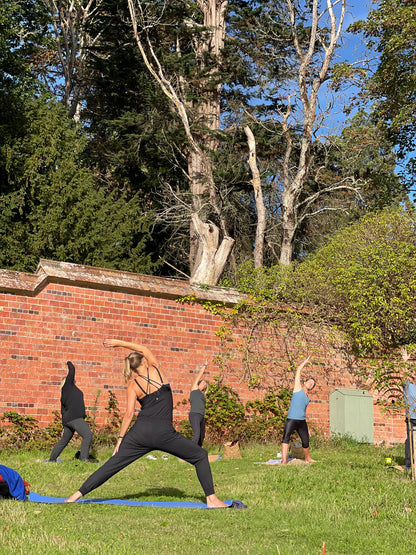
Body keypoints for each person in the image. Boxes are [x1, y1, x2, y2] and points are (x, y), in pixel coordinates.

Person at [65, 338, 228, 507]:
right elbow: (143, 348)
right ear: (143, 361)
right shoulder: (157, 369)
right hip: (164, 434)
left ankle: (75, 496)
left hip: (140, 434)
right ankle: (212, 500)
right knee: (200, 455)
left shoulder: (133, 384)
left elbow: (129, 414)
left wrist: (120, 439)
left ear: (132, 368)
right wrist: (119, 343)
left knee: (112, 465)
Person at [48, 361, 93, 462]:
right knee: (87, 435)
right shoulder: (68, 386)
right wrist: (68, 362)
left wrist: (65, 424)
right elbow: (72, 370)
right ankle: (83, 460)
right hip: (74, 418)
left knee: (64, 440)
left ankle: (52, 459)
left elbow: (63, 410)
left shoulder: (67, 392)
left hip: (69, 419)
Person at [281, 356, 315, 465]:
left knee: (306, 440)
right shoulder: (297, 388)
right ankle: (284, 461)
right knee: (286, 438)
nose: (310, 384)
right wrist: (306, 361)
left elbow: (303, 411)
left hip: (302, 421)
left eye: (312, 384)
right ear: (305, 382)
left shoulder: (308, 397)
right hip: (291, 419)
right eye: (309, 382)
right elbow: (298, 370)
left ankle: (308, 459)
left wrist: (308, 428)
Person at [401, 349, 416, 471]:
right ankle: (409, 465)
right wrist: (405, 361)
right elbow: (403, 374)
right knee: (410, 441)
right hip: (411, 418)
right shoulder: (408, 386)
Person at [189, 363, 208, 446]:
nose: (204, 384)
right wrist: (204, 366)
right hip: (195, 415)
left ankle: (198, 452)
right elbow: (199, 375)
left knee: (201, 436)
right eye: (203, 383)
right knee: (196, 435)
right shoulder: (194, 389)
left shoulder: (202, 394)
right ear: (199, 383)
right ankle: (190, 452)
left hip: (201, 416)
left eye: (205, 384)